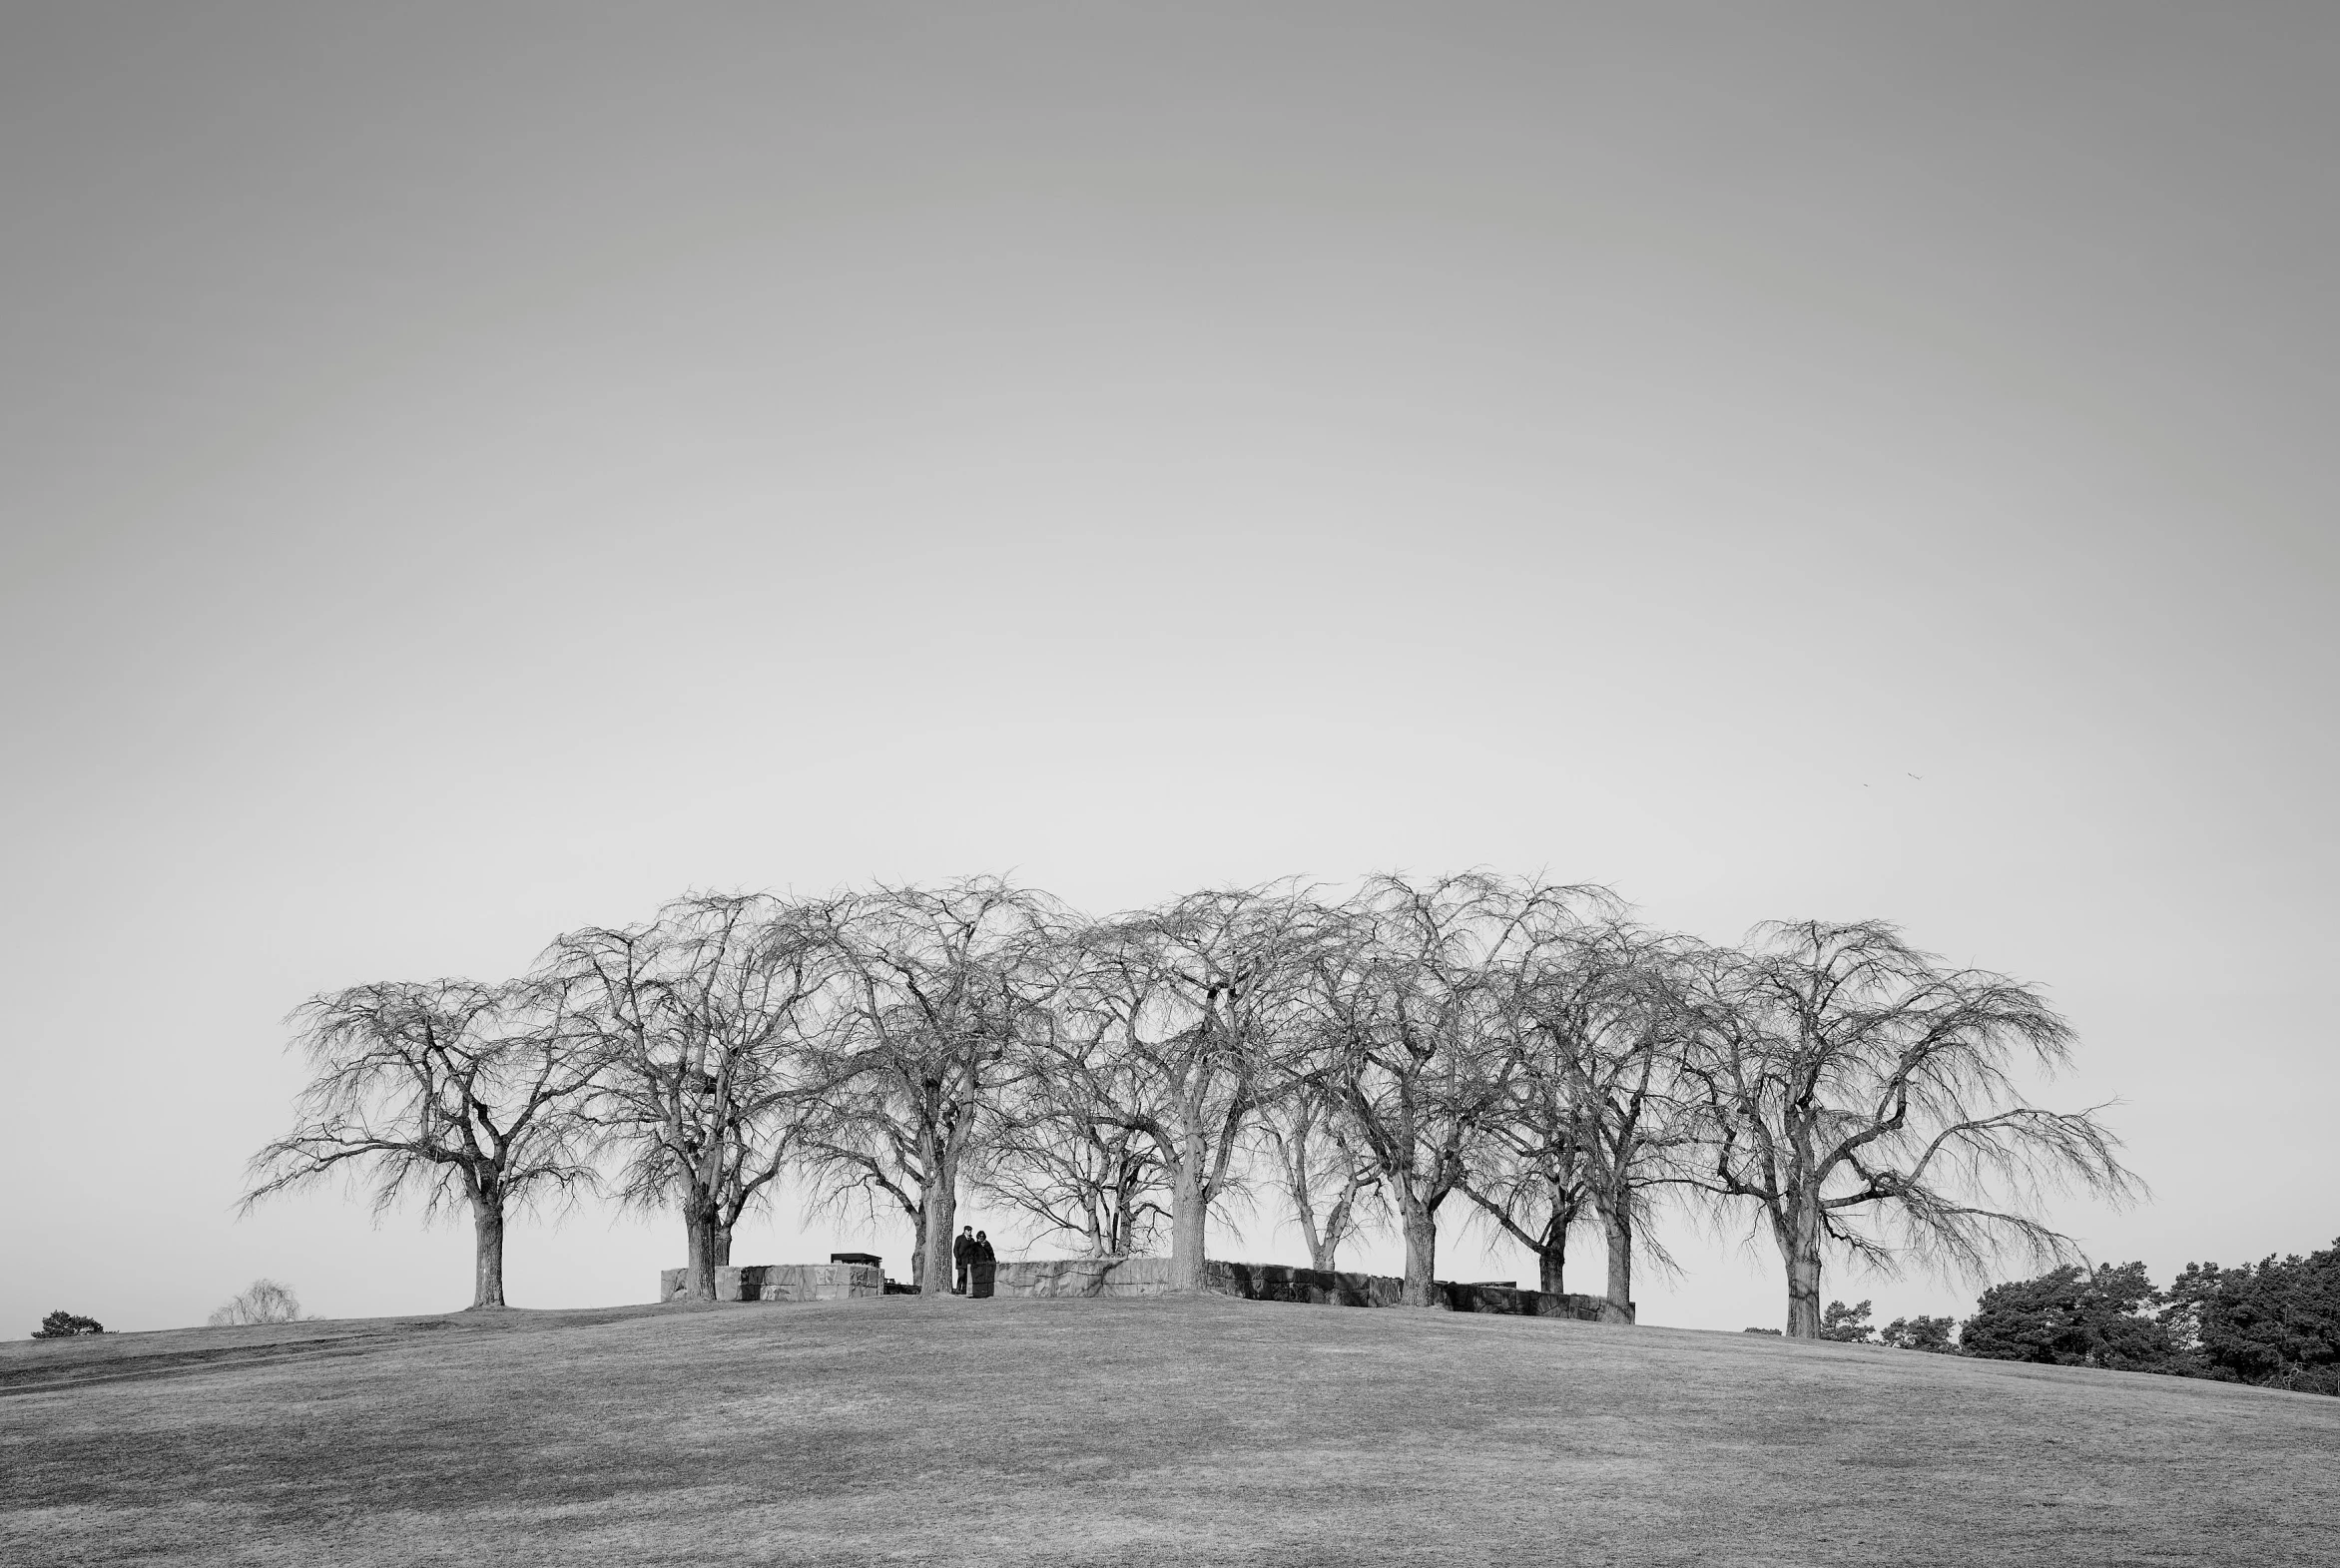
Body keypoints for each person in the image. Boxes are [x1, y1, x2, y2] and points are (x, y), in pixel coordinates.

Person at [971, 1230, 997, 1300]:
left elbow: (991, 1254)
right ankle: (978, 1293)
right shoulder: (975, 1245)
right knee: (977, 1279)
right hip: (977, 1264)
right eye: (980, 1236)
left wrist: (993, 1262)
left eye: (982, 1236)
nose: (981, 1238)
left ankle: (984, 1293)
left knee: (985, 1279)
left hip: (985, 1264)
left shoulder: (987, 1244)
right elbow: (972, 1254)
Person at [952, 1225, 975, 1295]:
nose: (970, 1231)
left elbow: (974, 1250)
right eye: (968, 1230)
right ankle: (958, 1289)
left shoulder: (972, 1240)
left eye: (971, 1230)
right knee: (961, 1275)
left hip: (969, 1262)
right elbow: (955, 1249)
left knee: (967, 1277)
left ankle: (965, 1290)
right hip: (961, 1261)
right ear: (965, 1231)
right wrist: (958, 1257)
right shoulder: (959, 1238)